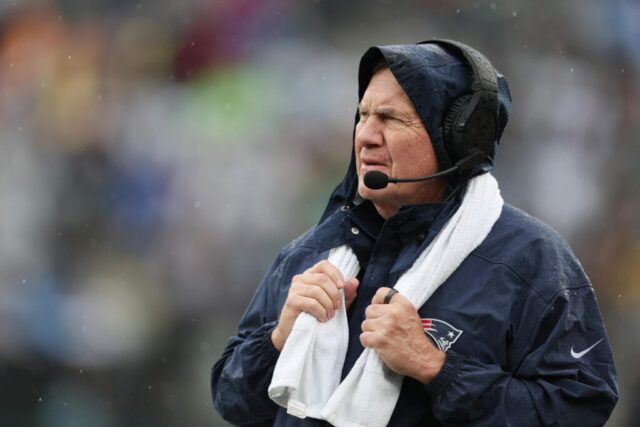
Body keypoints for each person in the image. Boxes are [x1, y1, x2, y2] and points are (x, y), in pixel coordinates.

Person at [211, 39, 618, 426]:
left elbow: (580, 408)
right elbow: (231, 401)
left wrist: (435, 367)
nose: (366, 135)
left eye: (389, 118)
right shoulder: (308, 254)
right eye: (363, 115)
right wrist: (279, 339)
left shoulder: (530, 260)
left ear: (458, 136)